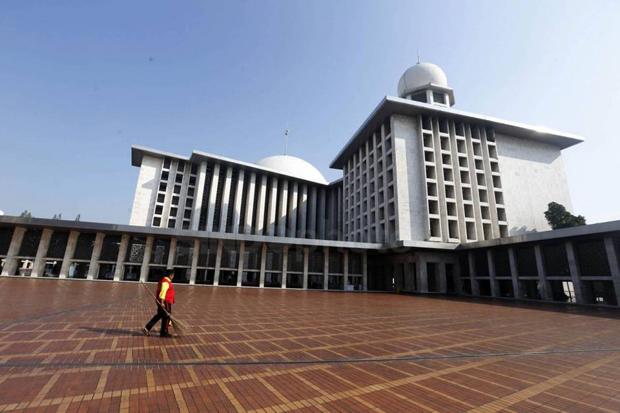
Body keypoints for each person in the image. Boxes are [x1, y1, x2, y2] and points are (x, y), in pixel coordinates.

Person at [143, 272, 175, 337]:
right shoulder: (166, 282)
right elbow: (163, 292)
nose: (173, 277)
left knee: (160, 315)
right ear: (170, 275)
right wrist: (162, 302)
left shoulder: (163, 281)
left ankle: (147, 328)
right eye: (173, 275)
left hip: (163, 301)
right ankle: (164, 332)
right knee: (166, 316)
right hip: (165, 302)